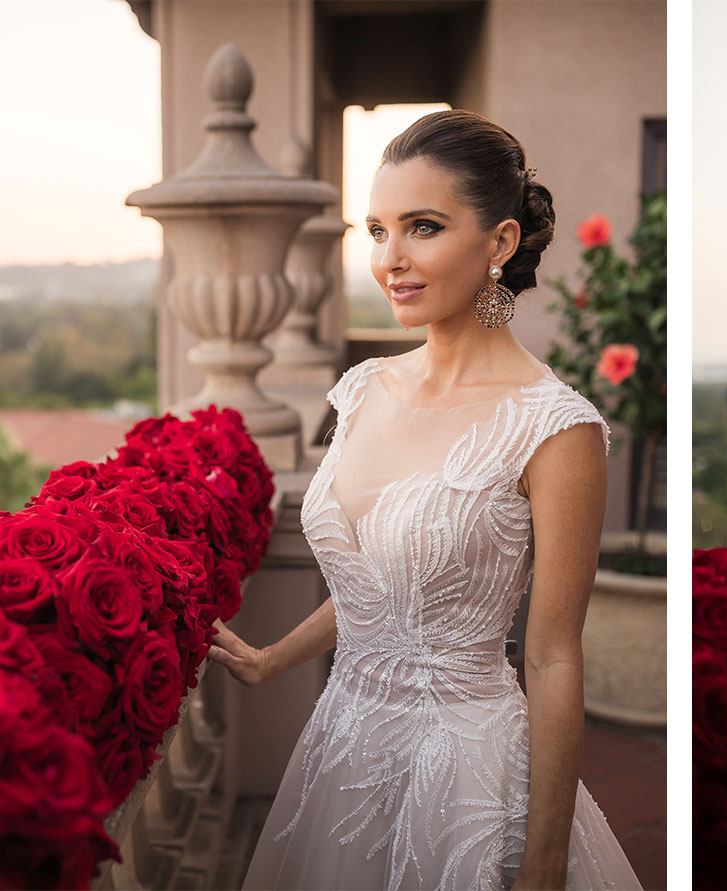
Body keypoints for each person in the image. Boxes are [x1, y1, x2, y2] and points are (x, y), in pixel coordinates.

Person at [206, 109, 642, 891]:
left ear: (501, 243)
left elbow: (550, 655)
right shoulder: (365, 388)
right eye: (376, 229)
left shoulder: (556, 427)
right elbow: (388, 578)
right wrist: (274, 658)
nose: (390, 259)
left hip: (468, 774)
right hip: (340, 749)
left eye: (423, 227)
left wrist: (542, 863)